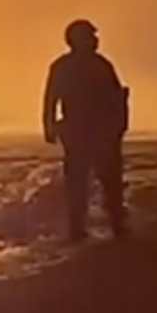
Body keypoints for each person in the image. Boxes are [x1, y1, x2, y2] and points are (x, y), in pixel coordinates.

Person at [42, 19, 130, 242]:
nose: (95, 40)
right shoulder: (69, 66)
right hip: (82, 129)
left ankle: (112, 224)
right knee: (83, 181)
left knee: (106, 180)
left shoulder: (98, 64)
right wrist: (49, 124)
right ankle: (80, 228)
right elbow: (51, 98)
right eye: (91, 36)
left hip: (97, 130)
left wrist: (119, 126)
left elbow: (116, 97)